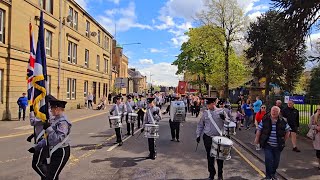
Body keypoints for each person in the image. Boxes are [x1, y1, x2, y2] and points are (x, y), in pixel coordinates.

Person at [28, 98, 72, 180]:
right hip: (54, 151)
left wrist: (49, 129)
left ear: (57, 109)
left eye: (52, 108)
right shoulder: (56, 120)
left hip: (61, 151)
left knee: (50, 176)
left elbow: (58, 138)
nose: (50, 110)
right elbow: (48, 139)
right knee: (51, 176)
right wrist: (36, 147)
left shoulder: (63, 122)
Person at [254, 106, 290, 180]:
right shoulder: (265, 119)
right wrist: (257, 139)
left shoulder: (282, 121)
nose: (274, 112)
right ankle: (268, 176)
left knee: (276, 162)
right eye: (273, 110)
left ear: (279, 112)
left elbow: (288, 131)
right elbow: (259, 130)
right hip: (268, 145)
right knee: (268, 160)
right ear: (270, 111)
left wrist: (284, 141)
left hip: (278, 146)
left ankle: (273, 174)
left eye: (276, 111)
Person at [196, 97, 227, 180]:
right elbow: (200, 125)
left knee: (220, 157)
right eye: (207, 104)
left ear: (213, 103)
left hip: (219, 138)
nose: (207, 106)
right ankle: (211, 174)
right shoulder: (205, 113)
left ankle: (220, 175)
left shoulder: (221, 111)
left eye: (209, 104)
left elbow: (229, 122)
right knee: (210, 157)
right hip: (208, 137)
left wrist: (225, 119)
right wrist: (198, 135)